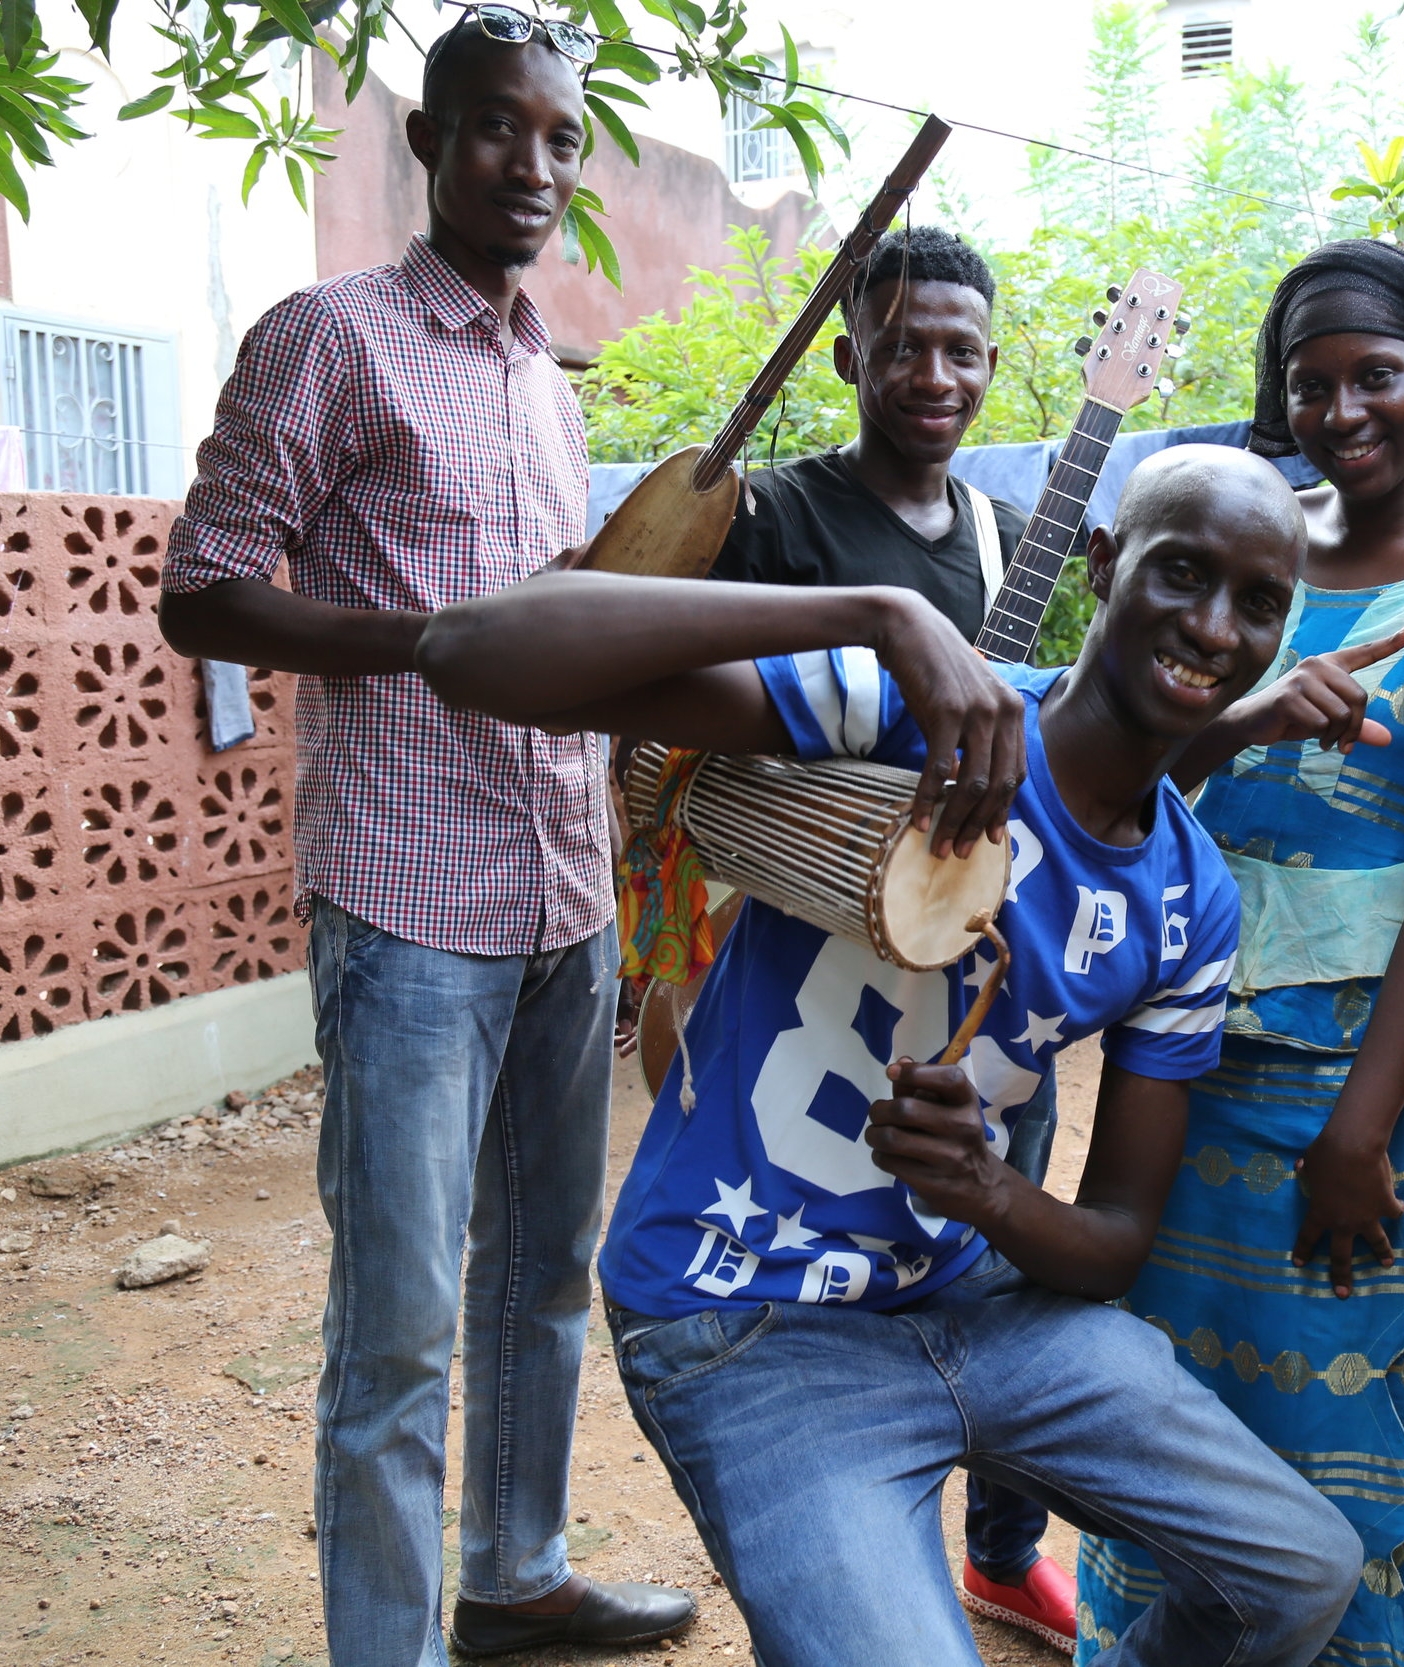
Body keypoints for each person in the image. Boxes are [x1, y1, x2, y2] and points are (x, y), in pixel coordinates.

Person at [415, 445, 1373, 1667]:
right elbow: (472, 648)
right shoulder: (923, 706)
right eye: (1181, 571)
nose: (1214, 626)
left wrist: (988, 1191)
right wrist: (880, 608)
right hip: (743, 1309)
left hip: (961, 1300)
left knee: (1302, 1567)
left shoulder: (1190, 899)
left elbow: (1118, 1237)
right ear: (1102, 562)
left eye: (1258, 602)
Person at [158, 17, 696, 1663]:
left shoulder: (546, 371)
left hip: (557, 895)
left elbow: (574, 626)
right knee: (395, 1330)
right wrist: (420, 641)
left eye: (554, 137)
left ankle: (514, 1573)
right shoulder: (331, 340)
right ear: (425, 141)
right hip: (406, 913)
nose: (527, 168)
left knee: (541, 1274)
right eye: (490, 133)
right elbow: (204, 586)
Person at [1071, 241, 1404, 1667]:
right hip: (1170, 1057)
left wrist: (1361, 1125)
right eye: (1308, 386)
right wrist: (1241, 718)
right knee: (1160, 1409)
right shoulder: (1250, 533)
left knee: (1333, 1417)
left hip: (1338, 1084)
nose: (1341, 410)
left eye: (1374, 376)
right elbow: (1120, 763)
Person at [704, 220, 1071, 1646]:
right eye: (905, 344)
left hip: (982, 973)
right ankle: (856, 1557)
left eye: (962, 349)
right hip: (822, 959)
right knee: (841, 1253)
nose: (934, 372)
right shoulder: (776, 516)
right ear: (849, 353)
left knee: (1000, 1245)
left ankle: (1001, 1540)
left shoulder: (989, 527)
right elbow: (706, 726)